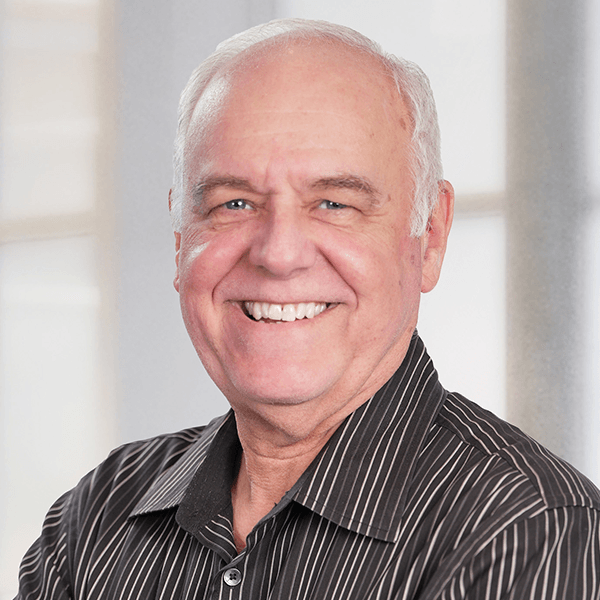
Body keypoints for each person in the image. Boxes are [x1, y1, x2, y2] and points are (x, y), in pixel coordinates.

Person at [17, 18, 600, 599]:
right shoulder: (93, 524)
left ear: (430, 236)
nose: (278, 254)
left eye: (334, 203)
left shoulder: (529, 533)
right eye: (234, 202)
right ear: (179, 240)